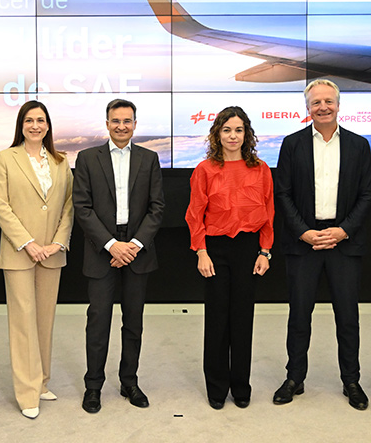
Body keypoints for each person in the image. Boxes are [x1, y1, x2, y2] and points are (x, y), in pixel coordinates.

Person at [274, 79, 371, 410]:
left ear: (339, 105)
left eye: (329, 101)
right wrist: (303, 232)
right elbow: (282, 193)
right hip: (305, 242)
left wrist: (343, 230)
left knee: (347, 316)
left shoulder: (360, 146)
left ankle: (352, 381)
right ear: (308, 108)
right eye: (316, 102)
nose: (323, 107)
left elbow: (366, 194)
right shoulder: (292, 144)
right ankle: (294, 378)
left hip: (344, 242)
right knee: (300, 314)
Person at [73, 98, 164, 413]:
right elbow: (82, 208)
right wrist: (112, 245)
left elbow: (157, 208)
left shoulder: (149, 158)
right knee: (98, 321)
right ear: (107, 123)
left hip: (137, 249)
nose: (121, 126)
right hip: (102, 250)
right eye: (116, 121)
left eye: (127, 121)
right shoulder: (87, 158)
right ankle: (93, 386)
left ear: (135, 124)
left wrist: (134, 245)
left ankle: (130, 382)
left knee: (133, 322)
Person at [185, 106, 274, 409]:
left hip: (249, 250)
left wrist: (265, 250)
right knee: (217, 319)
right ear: (217, 134)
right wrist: (201, 252)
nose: (233, 136)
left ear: (246, 133)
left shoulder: (260, 169)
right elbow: (194, 214)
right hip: (215, 250)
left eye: (238, 130)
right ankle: (217, 386)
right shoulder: (205, 169)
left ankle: (241, 385)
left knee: (242, 319)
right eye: (226, 130)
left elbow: (268, 213)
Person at [0, 100, 74, 419]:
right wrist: (27, 243)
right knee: (23, 322)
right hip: (19, 253)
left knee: (44, 320)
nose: (35, 125)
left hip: (51, 253)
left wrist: (57, 242)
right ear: (21, 126)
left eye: (41, 120)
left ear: (48, 125)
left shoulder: (60, 160)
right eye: (29, 120)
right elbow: (1, 206)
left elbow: (68, 207)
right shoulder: (5, 158)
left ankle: (40, 382)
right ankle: (26, 393)